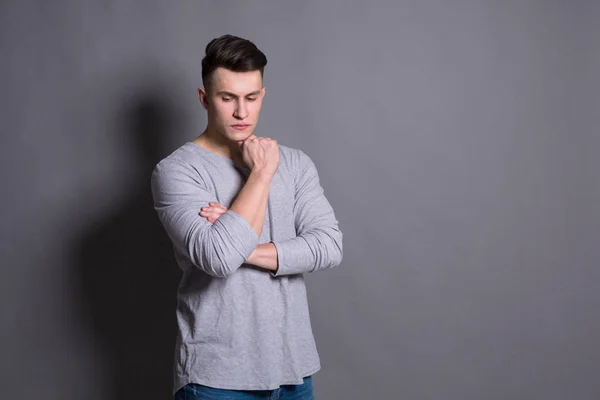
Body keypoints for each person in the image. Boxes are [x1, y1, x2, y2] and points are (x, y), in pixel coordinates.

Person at [150, 34, 343, 400]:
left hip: (294, 371)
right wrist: (261, 174)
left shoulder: (296, 163)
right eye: (228, 99)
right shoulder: (177, 171)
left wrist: (243, 246)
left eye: (251, 98)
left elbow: (329, 246)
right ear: (205, 99)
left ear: (262, 96)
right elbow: (220, 259)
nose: (242, 112)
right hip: (215, 379)